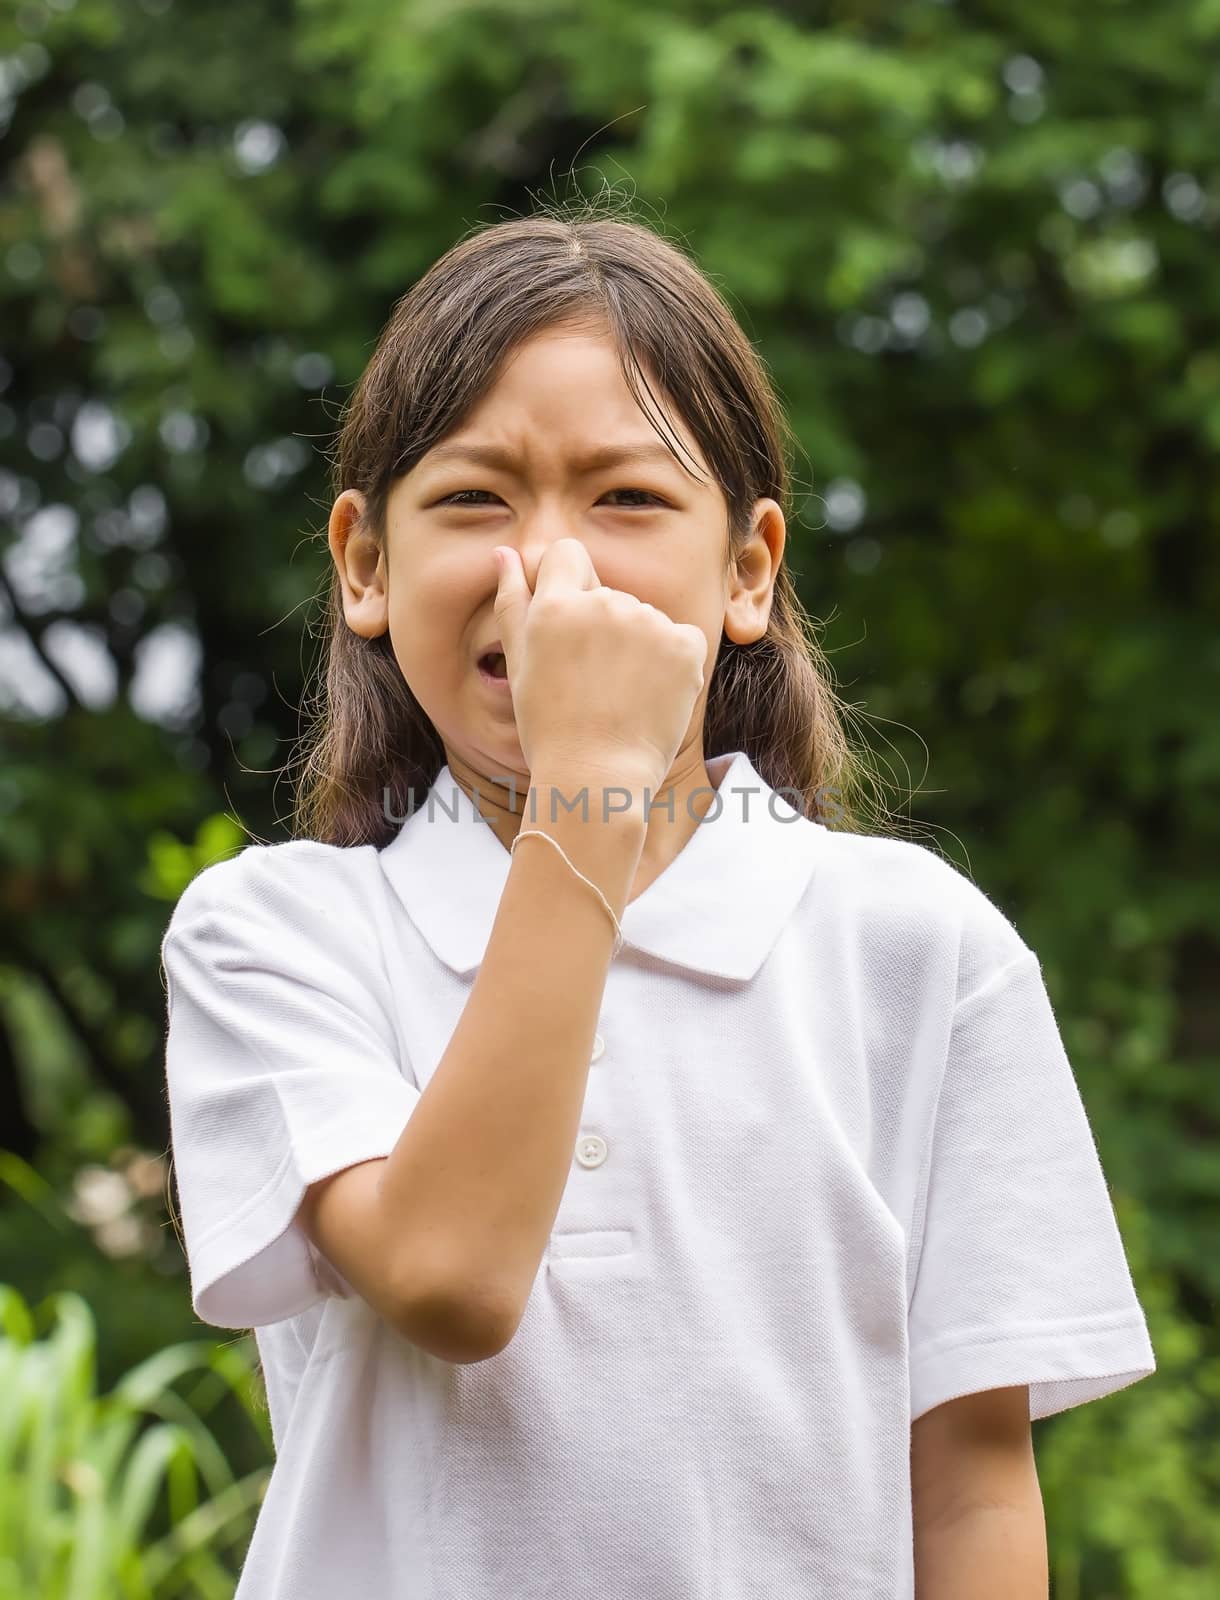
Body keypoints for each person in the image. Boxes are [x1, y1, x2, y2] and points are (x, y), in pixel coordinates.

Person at [159, 201, 1156, 1599]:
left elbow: (972, 1481)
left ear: (748, 569)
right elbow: (452, 1277)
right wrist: (591, 795)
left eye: (626, 498)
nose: (550, 566)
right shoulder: (276, 933)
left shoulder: (919, 948)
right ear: (364, 565)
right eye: (472, 499)